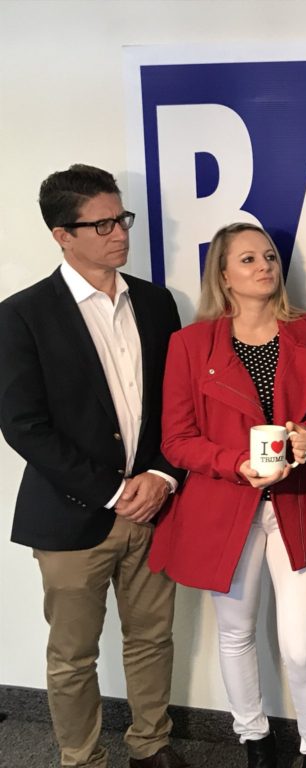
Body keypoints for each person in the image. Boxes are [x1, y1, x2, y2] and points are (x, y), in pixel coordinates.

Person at [148, 223, 306, 768]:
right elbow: (176, 439)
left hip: (302, 502)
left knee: (301, 645)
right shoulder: (191, 344)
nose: (264, 265)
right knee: (236, 633)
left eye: (269, 256)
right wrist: (235, 465)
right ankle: (255, 741)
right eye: (247, 259)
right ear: (223, 276)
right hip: (226, 507)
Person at [0, 165, 188, 768]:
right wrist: (112, 491)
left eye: (121, 218)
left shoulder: (156, 303)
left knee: (152, 638)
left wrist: (162, 475)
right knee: (74, 655)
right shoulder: (22, 314)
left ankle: (150, 745)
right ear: (63, 235)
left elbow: (179, 404)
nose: (120, 233)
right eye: (102, 224)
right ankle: (81, 759)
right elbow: (23, 425)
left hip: (155, 506)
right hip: (71, 515)